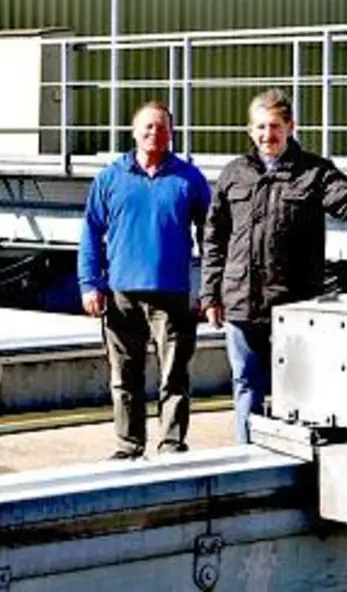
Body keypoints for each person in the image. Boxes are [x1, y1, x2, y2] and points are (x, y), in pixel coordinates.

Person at [200, 89, 347, 443]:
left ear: (291, 127)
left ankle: (289, 458)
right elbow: (215, 238)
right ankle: (247, 454)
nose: (268, 135)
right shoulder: (234, 174)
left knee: (294, 388)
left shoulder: (313, 172)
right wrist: (210, 294)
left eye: (276, 126)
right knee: (246, 383)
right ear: (250, 131)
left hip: (293, 305)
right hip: (240, 302)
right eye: (261, 127)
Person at [78, 100, 213, 460]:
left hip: (173, 295)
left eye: (163, 127)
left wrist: (207, 288)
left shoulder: (190, 179)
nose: (156, 133)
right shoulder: (110, 178)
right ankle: (128, 446)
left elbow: (212, 236)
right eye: (148, 127)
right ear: (134, 132)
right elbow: (91, 231)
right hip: (121, 294)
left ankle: (171, 445)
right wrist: (89, 283)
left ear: (172, 132)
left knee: (174, 378)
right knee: (124, 377)